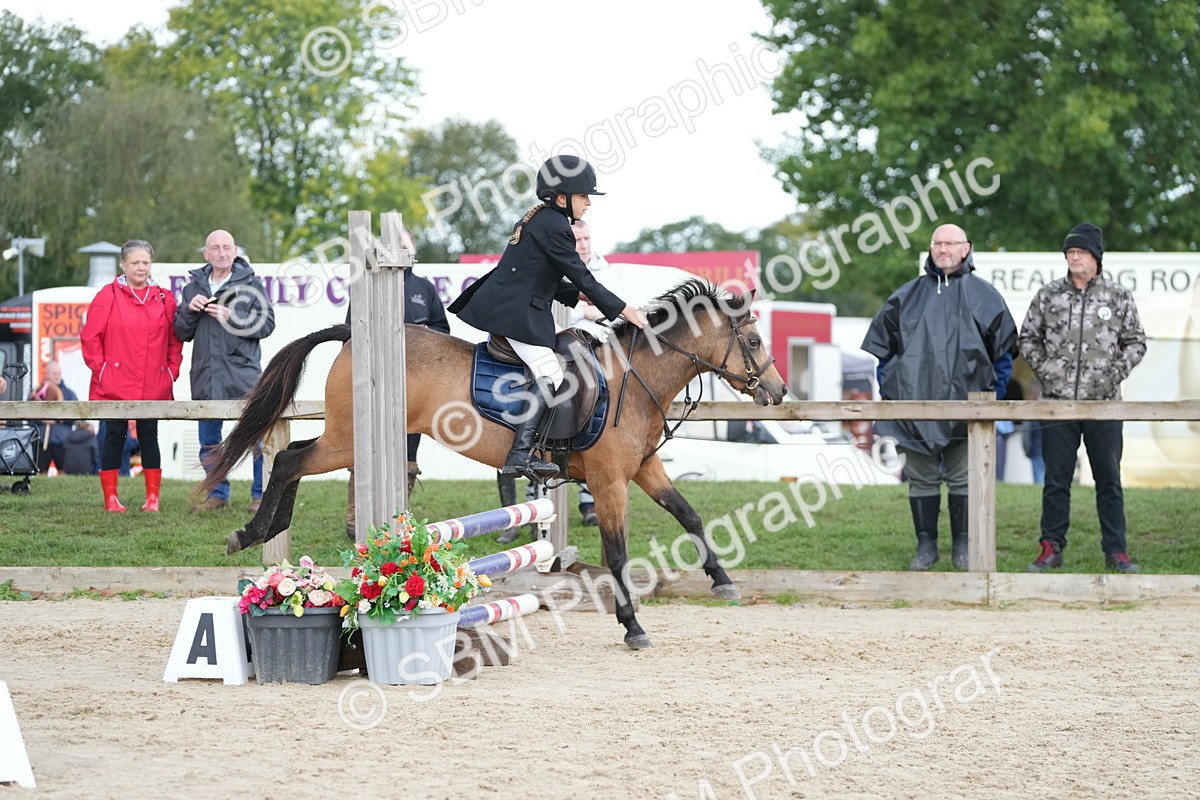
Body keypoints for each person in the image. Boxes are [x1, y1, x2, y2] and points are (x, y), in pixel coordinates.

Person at [448, 155, 647, 482]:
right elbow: (584, 277)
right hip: (517, 314)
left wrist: (576, 295)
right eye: (584, 196)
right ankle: (519, 455)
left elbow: (538, 276)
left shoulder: (541, 219)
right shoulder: (556, 226)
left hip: (521, 305)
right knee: (552, 374)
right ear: (561, 197)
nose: (587, 203)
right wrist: (626, 311)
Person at [862, 224, 1017, 571]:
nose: (943, 248)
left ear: (966, 248)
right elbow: (883, 355)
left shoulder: (985, 296)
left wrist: (991, 397)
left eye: (950, 243)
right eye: (937, 243)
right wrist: (894, 393)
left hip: (968, 413)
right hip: (914, 414)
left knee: (964, 478)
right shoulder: (906, 297)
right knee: (922, 478)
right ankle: (926, 546)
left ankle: (963, 545)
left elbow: (1003, 356)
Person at [1019, 222, 1146, 574]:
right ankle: (1050, 548)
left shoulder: (1117, 296)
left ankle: (1116, 551)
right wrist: (1049, 372)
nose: (1074, 257)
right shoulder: (1048, 295)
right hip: (1057, 403)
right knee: (1056, 480)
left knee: (1108, 479)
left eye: (1081, 251)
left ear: (1096, 257)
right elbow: (1027, 338)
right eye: (1069, 252)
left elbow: (1136, 342)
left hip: (1104, 404)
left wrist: (1112, 374)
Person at [510, 218, 622, 538]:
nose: (584, 244)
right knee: (551, 402)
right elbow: (562, 310)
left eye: (587, 237)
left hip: (600, 352)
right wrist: (587, 310)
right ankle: (535, 488)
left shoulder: (606, 271)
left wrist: (588, 311)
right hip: (560, 347)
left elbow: (614, 311)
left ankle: (590, 497)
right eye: (578, 238)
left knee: (601, 418)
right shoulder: (557, 267)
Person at [343, 232, 450, 538]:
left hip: (414, 382)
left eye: (404, 243)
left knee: (408, 447)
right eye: (393, 244)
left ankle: (397, 517)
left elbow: (444, 329)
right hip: (372, 379)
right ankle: (355, 517)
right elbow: (349, 331)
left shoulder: (425, 288)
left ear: (412, 249)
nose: (400, 249)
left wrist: (428, 334)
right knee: (365, 443)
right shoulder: (366, 285)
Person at [174, 229, 275, 512]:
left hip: (243, 372)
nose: (222, 252)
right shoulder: (193, 287)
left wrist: (234, 317)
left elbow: (267, 325)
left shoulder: (252, 284)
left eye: (227, 247)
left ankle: (260, 496)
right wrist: (188, 311)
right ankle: (217, 495)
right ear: (206, 253)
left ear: (235, 251)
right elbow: (182, 332)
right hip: (206, 373)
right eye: (215, 248)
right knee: (209, 439)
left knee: (257, 437)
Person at [80, 240, 183, 512]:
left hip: (153, 381)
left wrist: (172, 371)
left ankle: (152, 498)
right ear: (123, 264)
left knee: (150, 436)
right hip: (114, 381)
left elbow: (175, 340)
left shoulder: (164, 297)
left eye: (145, 262)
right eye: (135, 262)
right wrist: (101, 370)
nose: (141, 267)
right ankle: (111, 498)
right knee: (114, 435)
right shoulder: (108, 295)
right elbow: (91, 337)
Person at [29, 361, 78, 474]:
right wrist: (42, 419)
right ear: (46, 374)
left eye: (59, 373)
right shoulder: (37, 392)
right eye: (54, 373)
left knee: (64, 472)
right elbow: (28, 415)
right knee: (40, 472)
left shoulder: (69, 394)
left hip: (62, 441)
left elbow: (74, 417)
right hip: (42, 440)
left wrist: (57, 419)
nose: (57, 376)